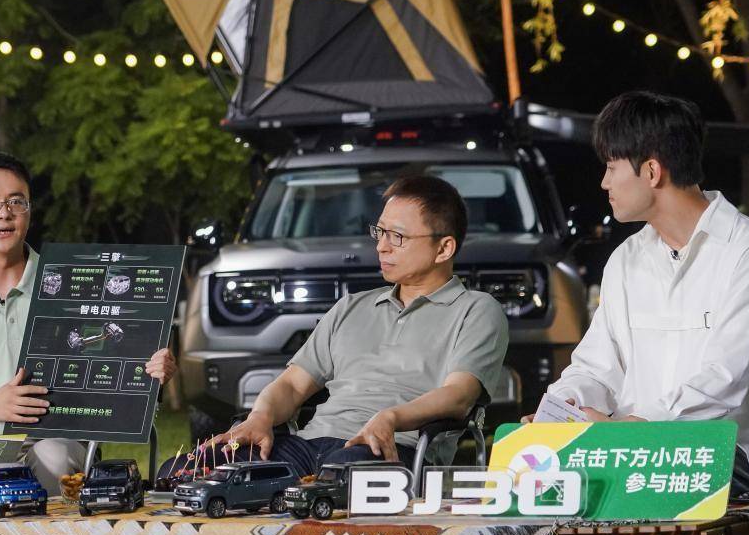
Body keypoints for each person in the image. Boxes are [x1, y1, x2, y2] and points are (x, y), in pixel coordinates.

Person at [160, 175, 508, 480]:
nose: (381, 246)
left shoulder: (475, 310)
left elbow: (459, 396)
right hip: (307, 445)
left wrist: (390, 418)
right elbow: (292, 385)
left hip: (391, 447)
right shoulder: (351, 307)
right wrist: (260, 417)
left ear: (444, 248)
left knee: (336, 481)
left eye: (397, 237)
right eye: (380, 232)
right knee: (182, 472)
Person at [0, 151, 177, 493]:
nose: (4, 213)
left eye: (16, 201)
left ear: (29, 211)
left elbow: (112, 364)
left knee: (55, 455)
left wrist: (151, 371)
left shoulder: (74, 288)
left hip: (52, 442)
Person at [525, 91, 749, 495]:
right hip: (625, 461)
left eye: (611, 167)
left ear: (651, 171)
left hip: (719, 464)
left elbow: (724, 380)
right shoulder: (626, 259)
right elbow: (596, 367)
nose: (604, 182)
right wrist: (559, 411)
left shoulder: (745, 251)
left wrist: (628, 431)